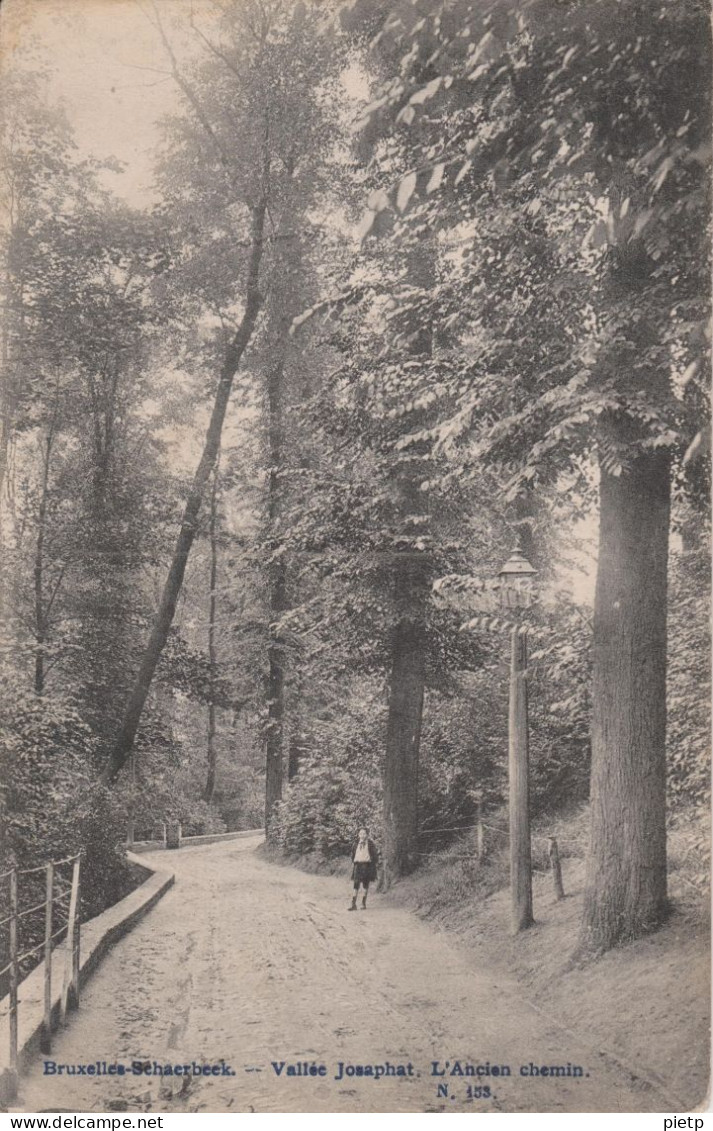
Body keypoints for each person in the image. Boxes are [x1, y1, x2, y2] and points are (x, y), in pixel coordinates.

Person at [349, 826, 379, 910]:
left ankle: (363, 903)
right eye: (360, 833)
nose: (362, 835)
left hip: (367, 866)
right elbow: (352, 854)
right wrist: (354, 862)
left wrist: (372, 864)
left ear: (367, 835)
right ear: (358, 834)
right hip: (357, 865)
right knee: (356, 884)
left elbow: (375, 856)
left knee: (365, 884)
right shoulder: (355, 843)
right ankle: (353, 904)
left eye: (364, 833)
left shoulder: (370, 844)